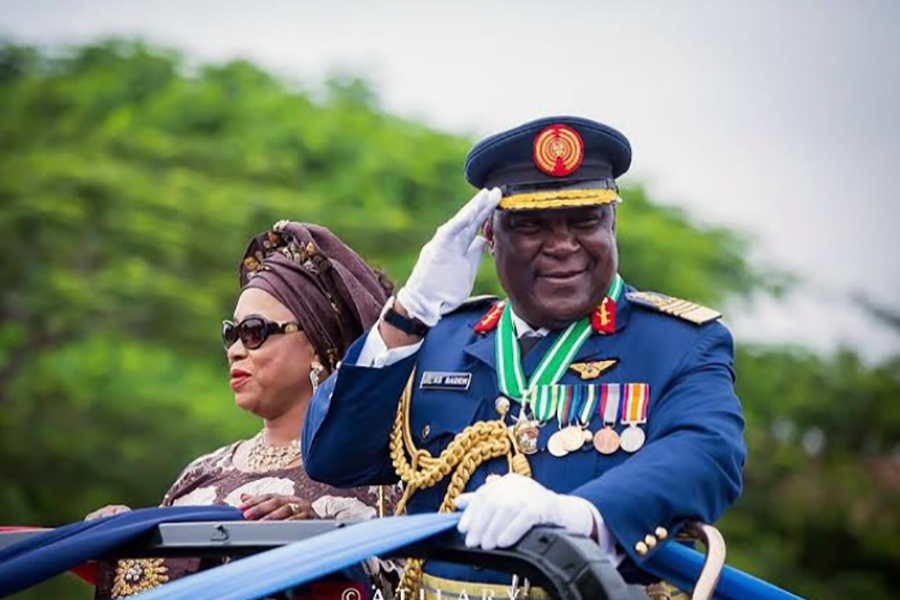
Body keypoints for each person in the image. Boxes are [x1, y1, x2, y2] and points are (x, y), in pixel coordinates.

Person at [303, 116, 746, 599]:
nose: (562, 246)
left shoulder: (676, 341)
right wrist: (409, 313)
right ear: (490, 236)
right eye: (531, 225)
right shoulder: (439, 339)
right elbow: (333, 457)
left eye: (586, 221)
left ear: (613, 224)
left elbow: (707, 454)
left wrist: (580, 515)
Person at [88, 221, 399, 599]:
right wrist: (124, 539)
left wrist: (322, 542)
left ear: (319, 343)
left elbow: (411, 585)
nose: (235, 349)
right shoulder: (200, 475)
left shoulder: (380, 480)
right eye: (230, 334)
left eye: (254, 332)